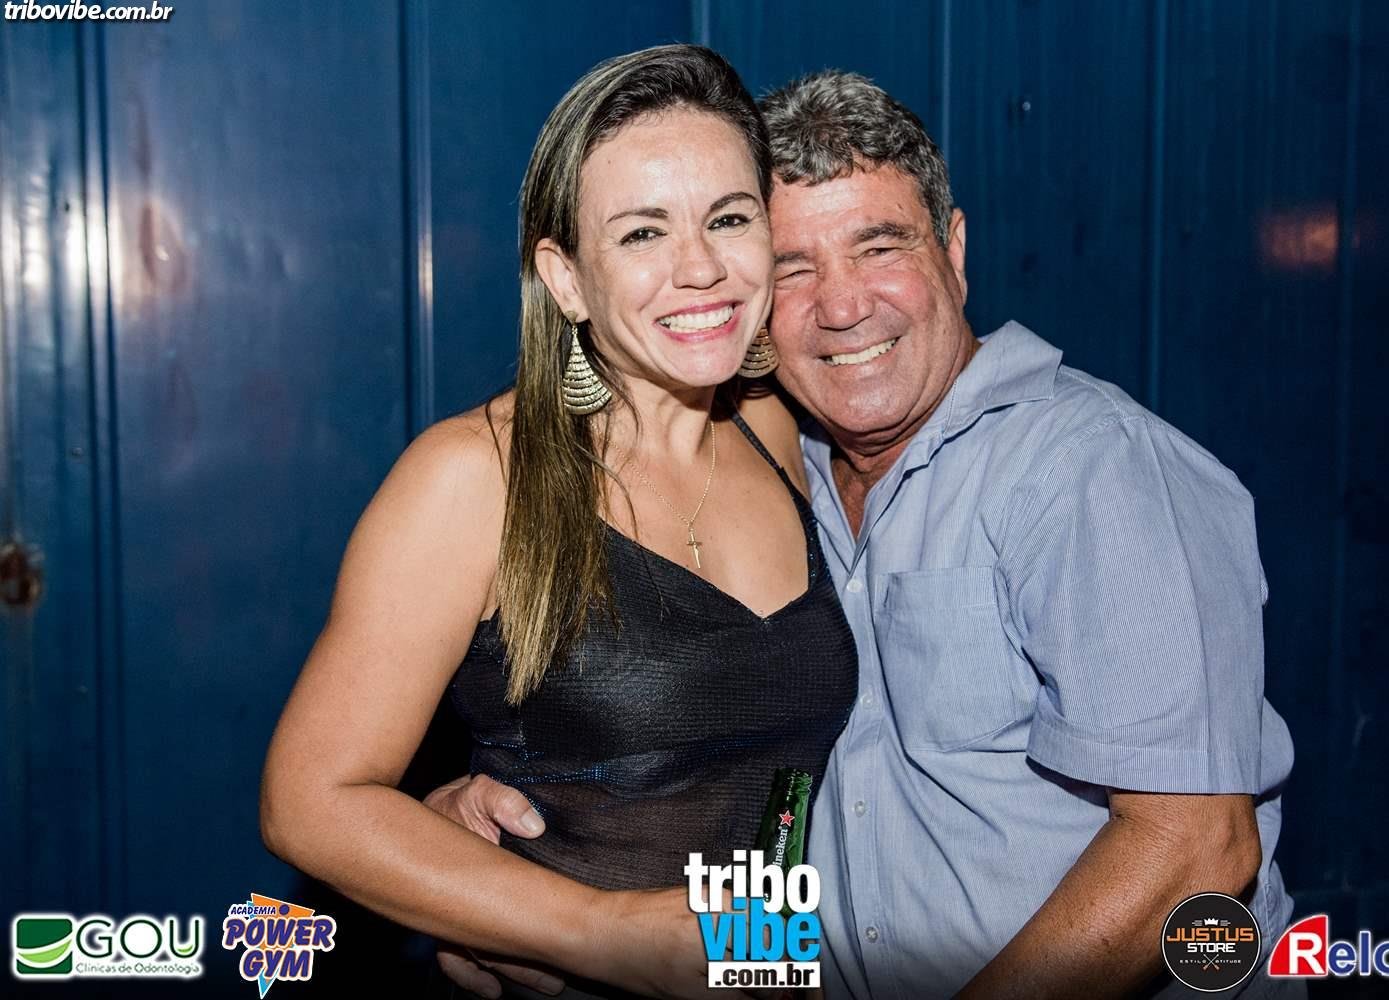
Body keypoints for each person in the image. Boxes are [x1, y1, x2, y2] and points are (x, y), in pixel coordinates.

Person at [434, 70, 1299, 1000]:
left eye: (879, 246)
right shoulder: (779, 466)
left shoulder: (1093, 469)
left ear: (954, 251)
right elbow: (708, 751)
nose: (842, 306)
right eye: (793, 267)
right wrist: (486, 858)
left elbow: (1196, 847)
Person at [259, 45, 857, 1000]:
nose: (701, 267)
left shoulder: (777, 430)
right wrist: (598, 933)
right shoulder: (476, 478)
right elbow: (310, 803)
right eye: (642, 233)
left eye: (729, 218)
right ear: (566, 278)